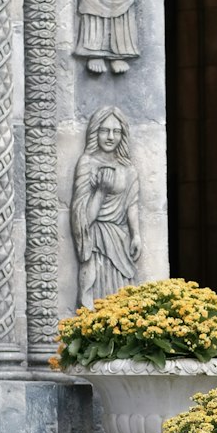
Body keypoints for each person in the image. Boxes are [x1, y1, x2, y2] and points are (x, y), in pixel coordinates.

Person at [70, 108, 142, 308]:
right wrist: (100, 192)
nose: (110, 137)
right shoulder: (87, 163)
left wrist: (136, 235)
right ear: (95, 132)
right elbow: (83, 216)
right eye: (105, 130)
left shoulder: (129, 169)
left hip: (120, 240)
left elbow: (131, 205)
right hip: (96, 242)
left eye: (116, 131)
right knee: (97, 294)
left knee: (122, 295)